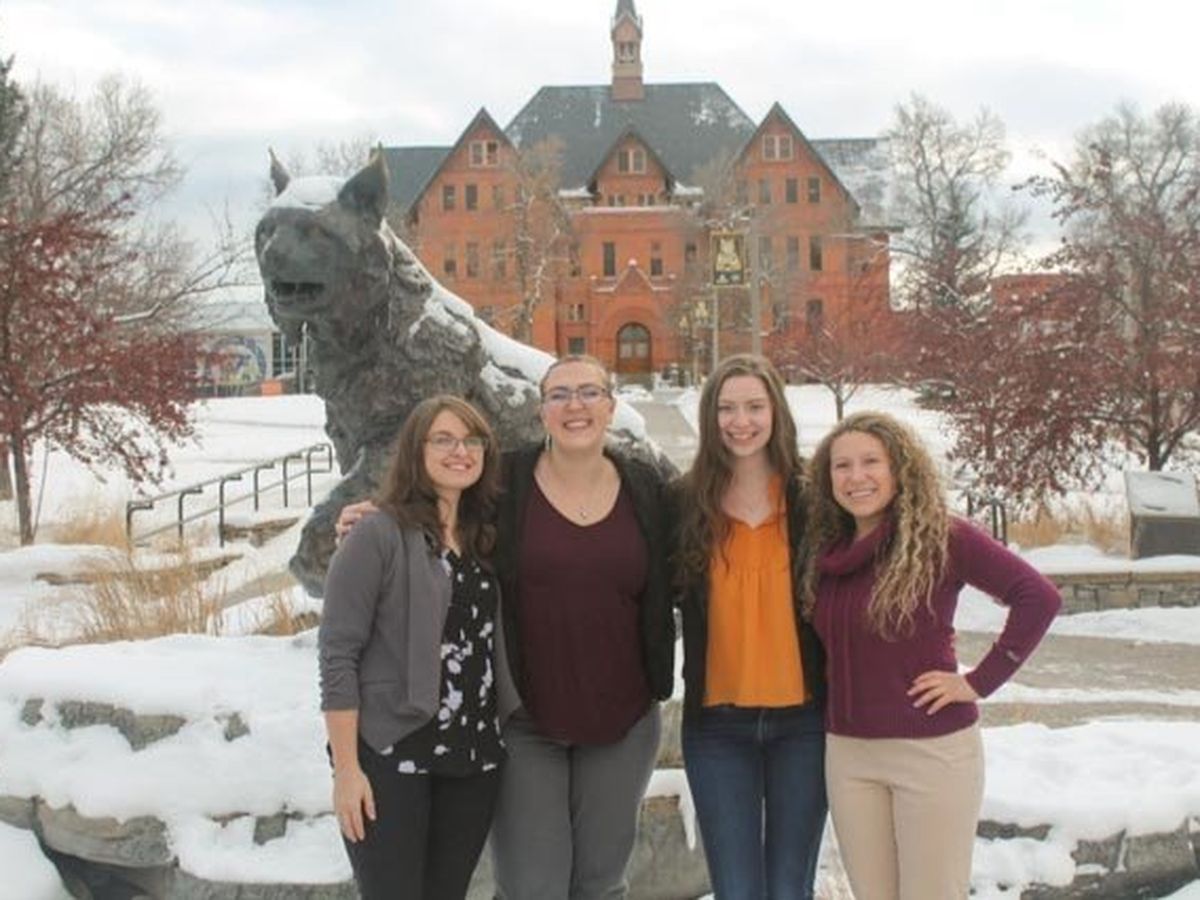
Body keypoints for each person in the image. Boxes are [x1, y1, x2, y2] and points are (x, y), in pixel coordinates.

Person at [337, 355, 675, 900]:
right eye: (559, 394)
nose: (575, 406)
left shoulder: (647, 488)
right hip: (525, 721)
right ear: (541, 410)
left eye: (589, 392)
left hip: (624, 721)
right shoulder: (504, 484)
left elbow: (700, 546)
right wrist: (375, 518)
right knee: (530, 888)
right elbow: (436, 505)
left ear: (611, 406)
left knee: (602, 884)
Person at [805, 411, 1061, 900]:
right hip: (848, 755)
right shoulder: (825, 552)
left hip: (930, 753)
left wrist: (978, 681)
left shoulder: (942, 537)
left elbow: (1038, 597)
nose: (856, 476)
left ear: (899, 468)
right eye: (842, 466)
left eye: (871, 462)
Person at [319, 395, 518, 900]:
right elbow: (338, 654)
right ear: (416, 450)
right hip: (392, 755)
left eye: (471, 440)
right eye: (443, 439)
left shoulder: (485, 538)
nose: (460, 451)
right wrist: (347, 769)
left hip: (472, 759)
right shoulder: (377, 533)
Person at [672, 354, 828, 900]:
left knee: (789, 889)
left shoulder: (814, 498)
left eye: (755, 407)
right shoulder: (684, 502)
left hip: (805, 725)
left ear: (776, 412)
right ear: (710, 416)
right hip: (718, 728)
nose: (741, 421)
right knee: (737, 890)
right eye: (727, 408)